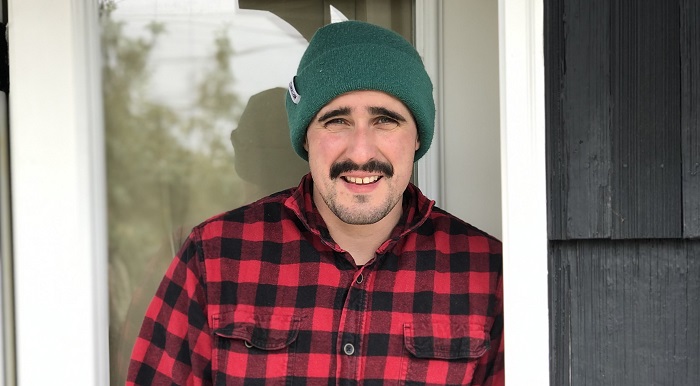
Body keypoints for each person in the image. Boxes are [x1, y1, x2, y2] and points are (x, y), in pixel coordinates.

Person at [127, 20, 504, 385]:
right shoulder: (215, 257)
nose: (360, 151)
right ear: (305, 137)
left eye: (385, 120)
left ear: (418, 137)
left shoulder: (488, 272)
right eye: (336, 121)